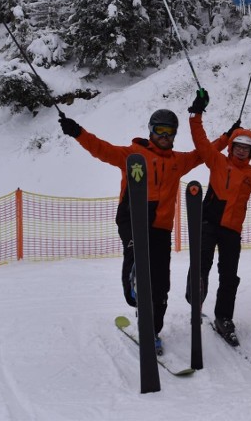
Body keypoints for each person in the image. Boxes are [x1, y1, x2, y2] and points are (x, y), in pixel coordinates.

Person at [58, 103, 228, 353]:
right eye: (160, 130)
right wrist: (78, 132)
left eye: (170, 132)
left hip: (161, 228)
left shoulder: (178, 161)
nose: (164, 137)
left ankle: (152, 330)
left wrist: (228, 136)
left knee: (161, 285)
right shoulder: (132, 156)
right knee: (137, 256)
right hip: (132, 218)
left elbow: (205, 152)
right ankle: (134, 285)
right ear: (150, 130)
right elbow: (101, 150)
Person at [185, 90, 251, 346]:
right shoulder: (217, 161)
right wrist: (196, 113)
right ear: (231, 146)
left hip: (232, 231)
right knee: (202, 266)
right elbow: (200, 141)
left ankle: (224, 318)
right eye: (238, 146)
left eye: (247, 149)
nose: (242, 151)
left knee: (229, 276)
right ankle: (195, 295)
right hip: (208, 223)